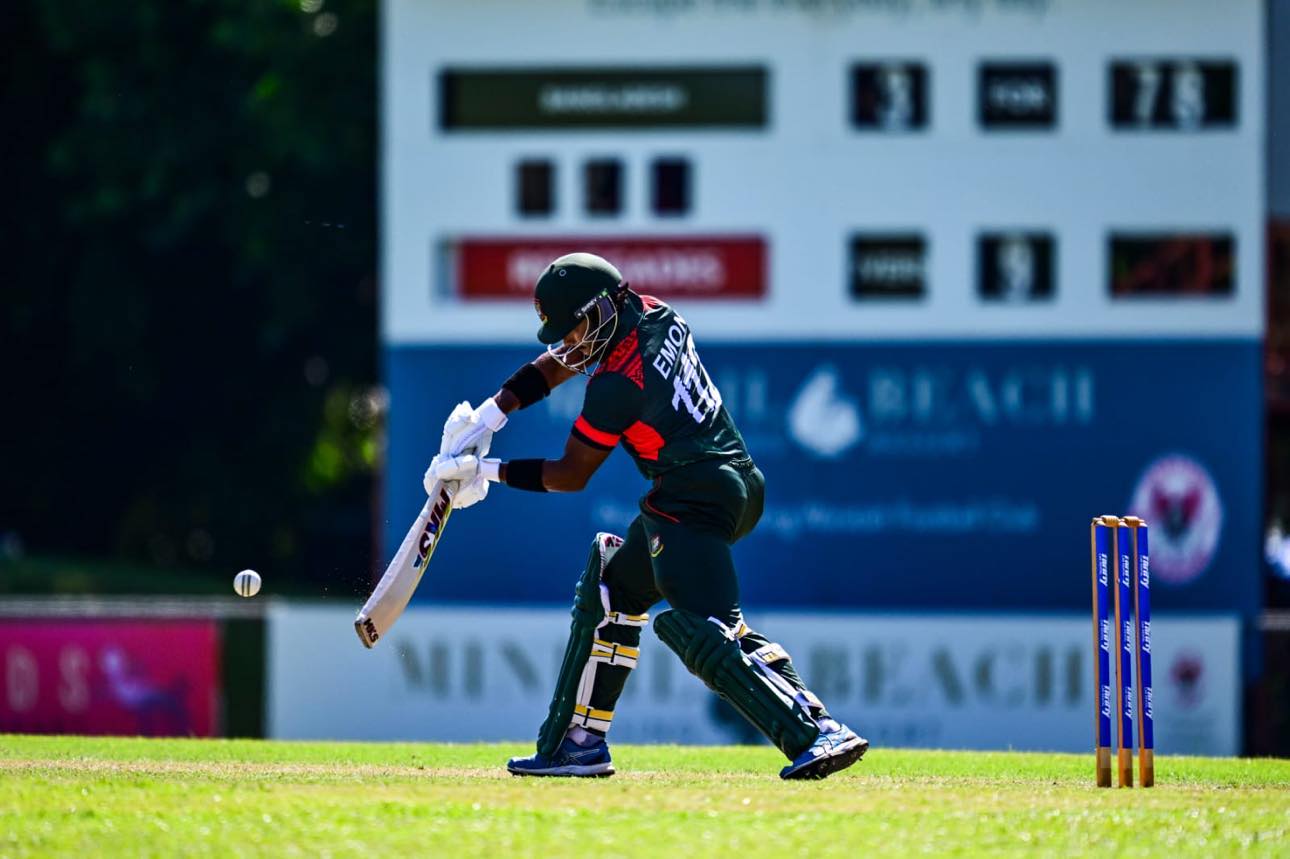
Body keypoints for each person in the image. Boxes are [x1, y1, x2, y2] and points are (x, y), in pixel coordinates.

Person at [426, 252, 867, 780]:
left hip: (692, 501)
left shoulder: (617, 385)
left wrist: (486, 472)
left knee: (706, 631)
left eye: (575, 328)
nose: (569, 344)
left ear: (601, 309)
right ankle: (578, 744)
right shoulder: (652, 311)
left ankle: (815, 731)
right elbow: (566, 356)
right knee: (614, 587)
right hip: (734, 482)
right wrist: (491, 413)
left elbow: (570, 475)